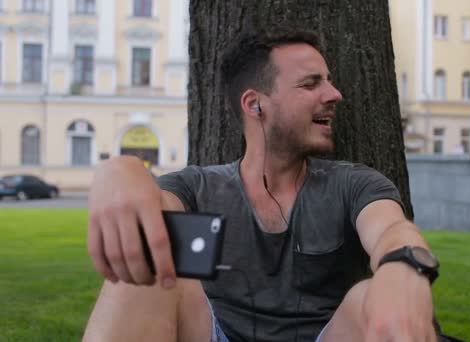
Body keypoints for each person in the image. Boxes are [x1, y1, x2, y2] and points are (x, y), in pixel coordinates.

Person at [83, 27, 439, 342]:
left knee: (368, 296)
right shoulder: (198, 188)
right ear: (255, 105)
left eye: (328, 81)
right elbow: (151, 206)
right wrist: (119, 171)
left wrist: (403, 263)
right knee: (143, 269)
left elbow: (391, 228)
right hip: (212, 333)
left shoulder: (353, 184)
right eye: (311, 83)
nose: (334, 94)